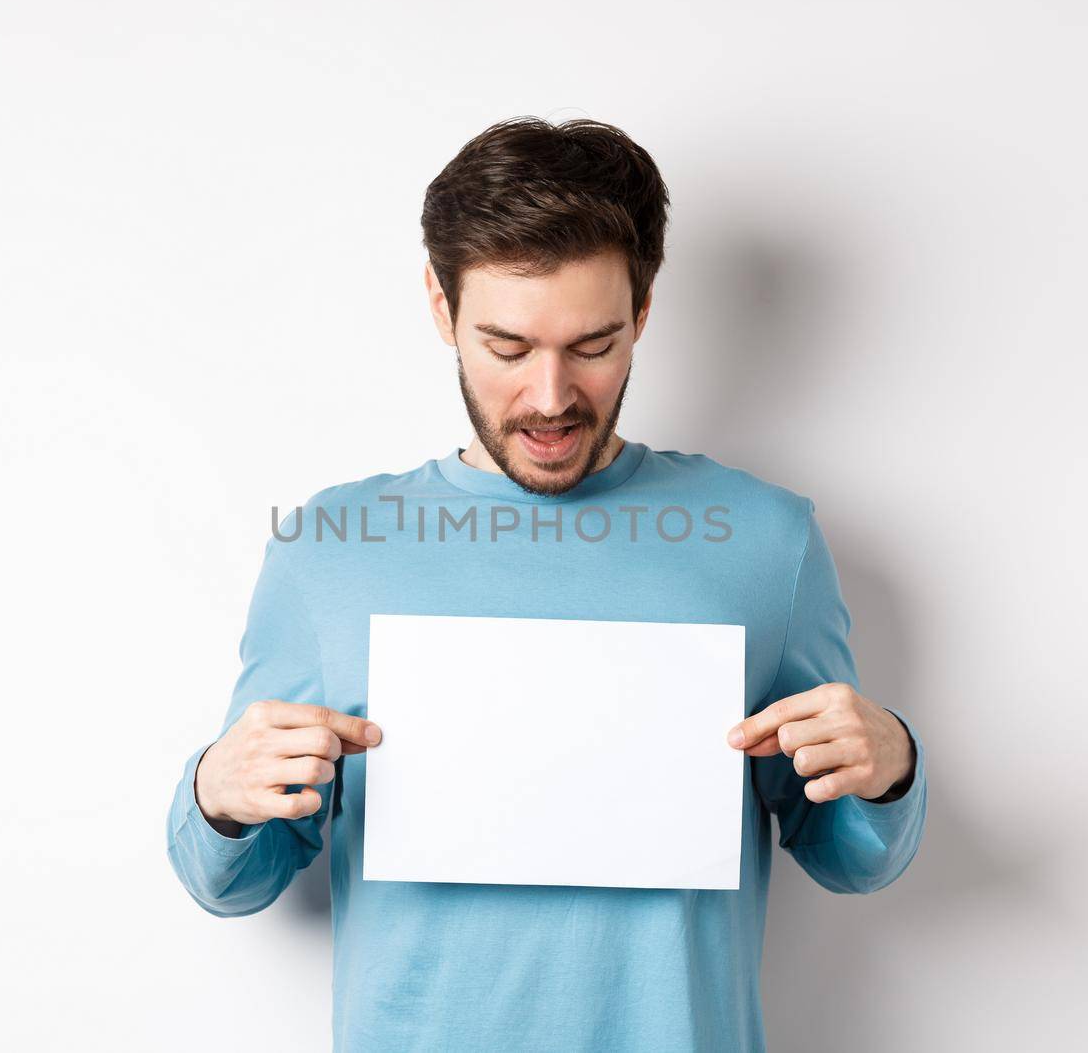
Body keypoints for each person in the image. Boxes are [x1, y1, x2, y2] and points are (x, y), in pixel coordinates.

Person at [165, 116, 926, 1051]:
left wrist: (888, 766)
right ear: (443, 312)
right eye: (508, 346)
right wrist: (216, 791)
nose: (551, 397)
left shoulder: (769, 540)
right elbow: (233, 879)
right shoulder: (331, 545)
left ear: (644, 312)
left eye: (594, 344)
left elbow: (853, 859)